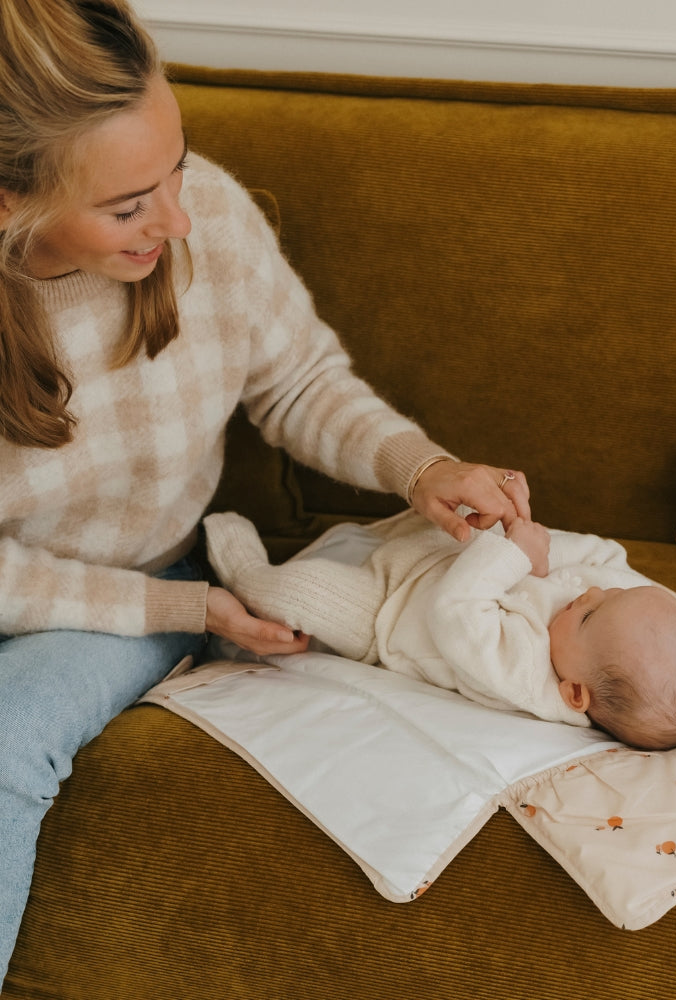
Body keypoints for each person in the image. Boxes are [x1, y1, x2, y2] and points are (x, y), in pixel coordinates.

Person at [0, 0, 530, 982]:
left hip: (134, 595)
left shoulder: (209, 225)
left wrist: (421, 467)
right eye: (128, 205)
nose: (178, 218)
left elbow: (296, 382)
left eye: (177, 166)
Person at [204, 509, 676, 750]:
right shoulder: (614, 612)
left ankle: (242, 564)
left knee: (295, 595)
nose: (589, 593)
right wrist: (536, 544)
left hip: (387, 609)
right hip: (451, 553)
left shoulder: (527, 675)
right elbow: (606, 558)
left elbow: (456, 612)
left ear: (573, 692)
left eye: (588, 614)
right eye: (615, 595)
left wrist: (516, 555)